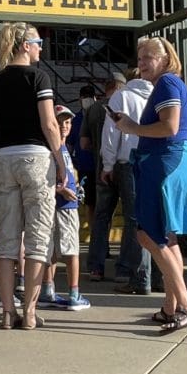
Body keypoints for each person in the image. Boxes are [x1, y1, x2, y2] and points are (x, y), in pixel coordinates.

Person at [109, 37, 187, 333]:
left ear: (166, 58)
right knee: (165, 238)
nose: (141, 63)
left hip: (164, 163)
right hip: (168, 161)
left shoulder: (167, 83)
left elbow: (170, 126)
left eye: (148, 57)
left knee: (148, 234)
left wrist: (132, 127)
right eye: (139, 57)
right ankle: (171, 306)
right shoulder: (169, 84)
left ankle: (186, 307)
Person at [0, 21, 66, 329]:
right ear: (25, 45)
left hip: (3, 158)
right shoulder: (39, 77)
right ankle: (30, 312)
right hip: (36, 157)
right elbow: (50, 124)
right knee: (38, 237)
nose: (40, 49)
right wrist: (61, 161)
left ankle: (8, 312)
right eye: (38, 43)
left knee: (6, 239)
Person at [100, 68, 156, 294]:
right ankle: (158, 276)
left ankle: (139, 277)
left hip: (129, 161)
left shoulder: (121, 96)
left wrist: (107, 165)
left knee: (134, 220)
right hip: (154, 160)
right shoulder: (159, 94)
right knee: (156, 219)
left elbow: (111, 134)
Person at [41, 104, 91, 310]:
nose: (64, 126)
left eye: (68, 122)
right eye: (60, 122)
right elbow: (43, 181)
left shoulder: (63, 149)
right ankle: (74, 293)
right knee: (71, 251)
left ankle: (48, 290)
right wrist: (62, 191)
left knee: (52, 250)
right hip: (64, 206)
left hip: (63, 203)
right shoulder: (52, 150)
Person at [82, 71, 127, 280]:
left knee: (100, 218)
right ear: (121, 86)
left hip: (101, 169)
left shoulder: (93, 109)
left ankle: (96, 267)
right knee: (132, 218)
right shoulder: (126, 103)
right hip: (126, 166)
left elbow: (84, 143)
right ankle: (125, 269)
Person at [69, 84, 98, 220]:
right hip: (84, 167)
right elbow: (69, 145)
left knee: (103, 203)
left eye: (90, 96)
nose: (87, 99)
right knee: (89, 202)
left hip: (101, 166)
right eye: (84, 96)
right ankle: (92, 230)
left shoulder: (101, 116)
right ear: (79, 99)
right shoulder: (75, 120)